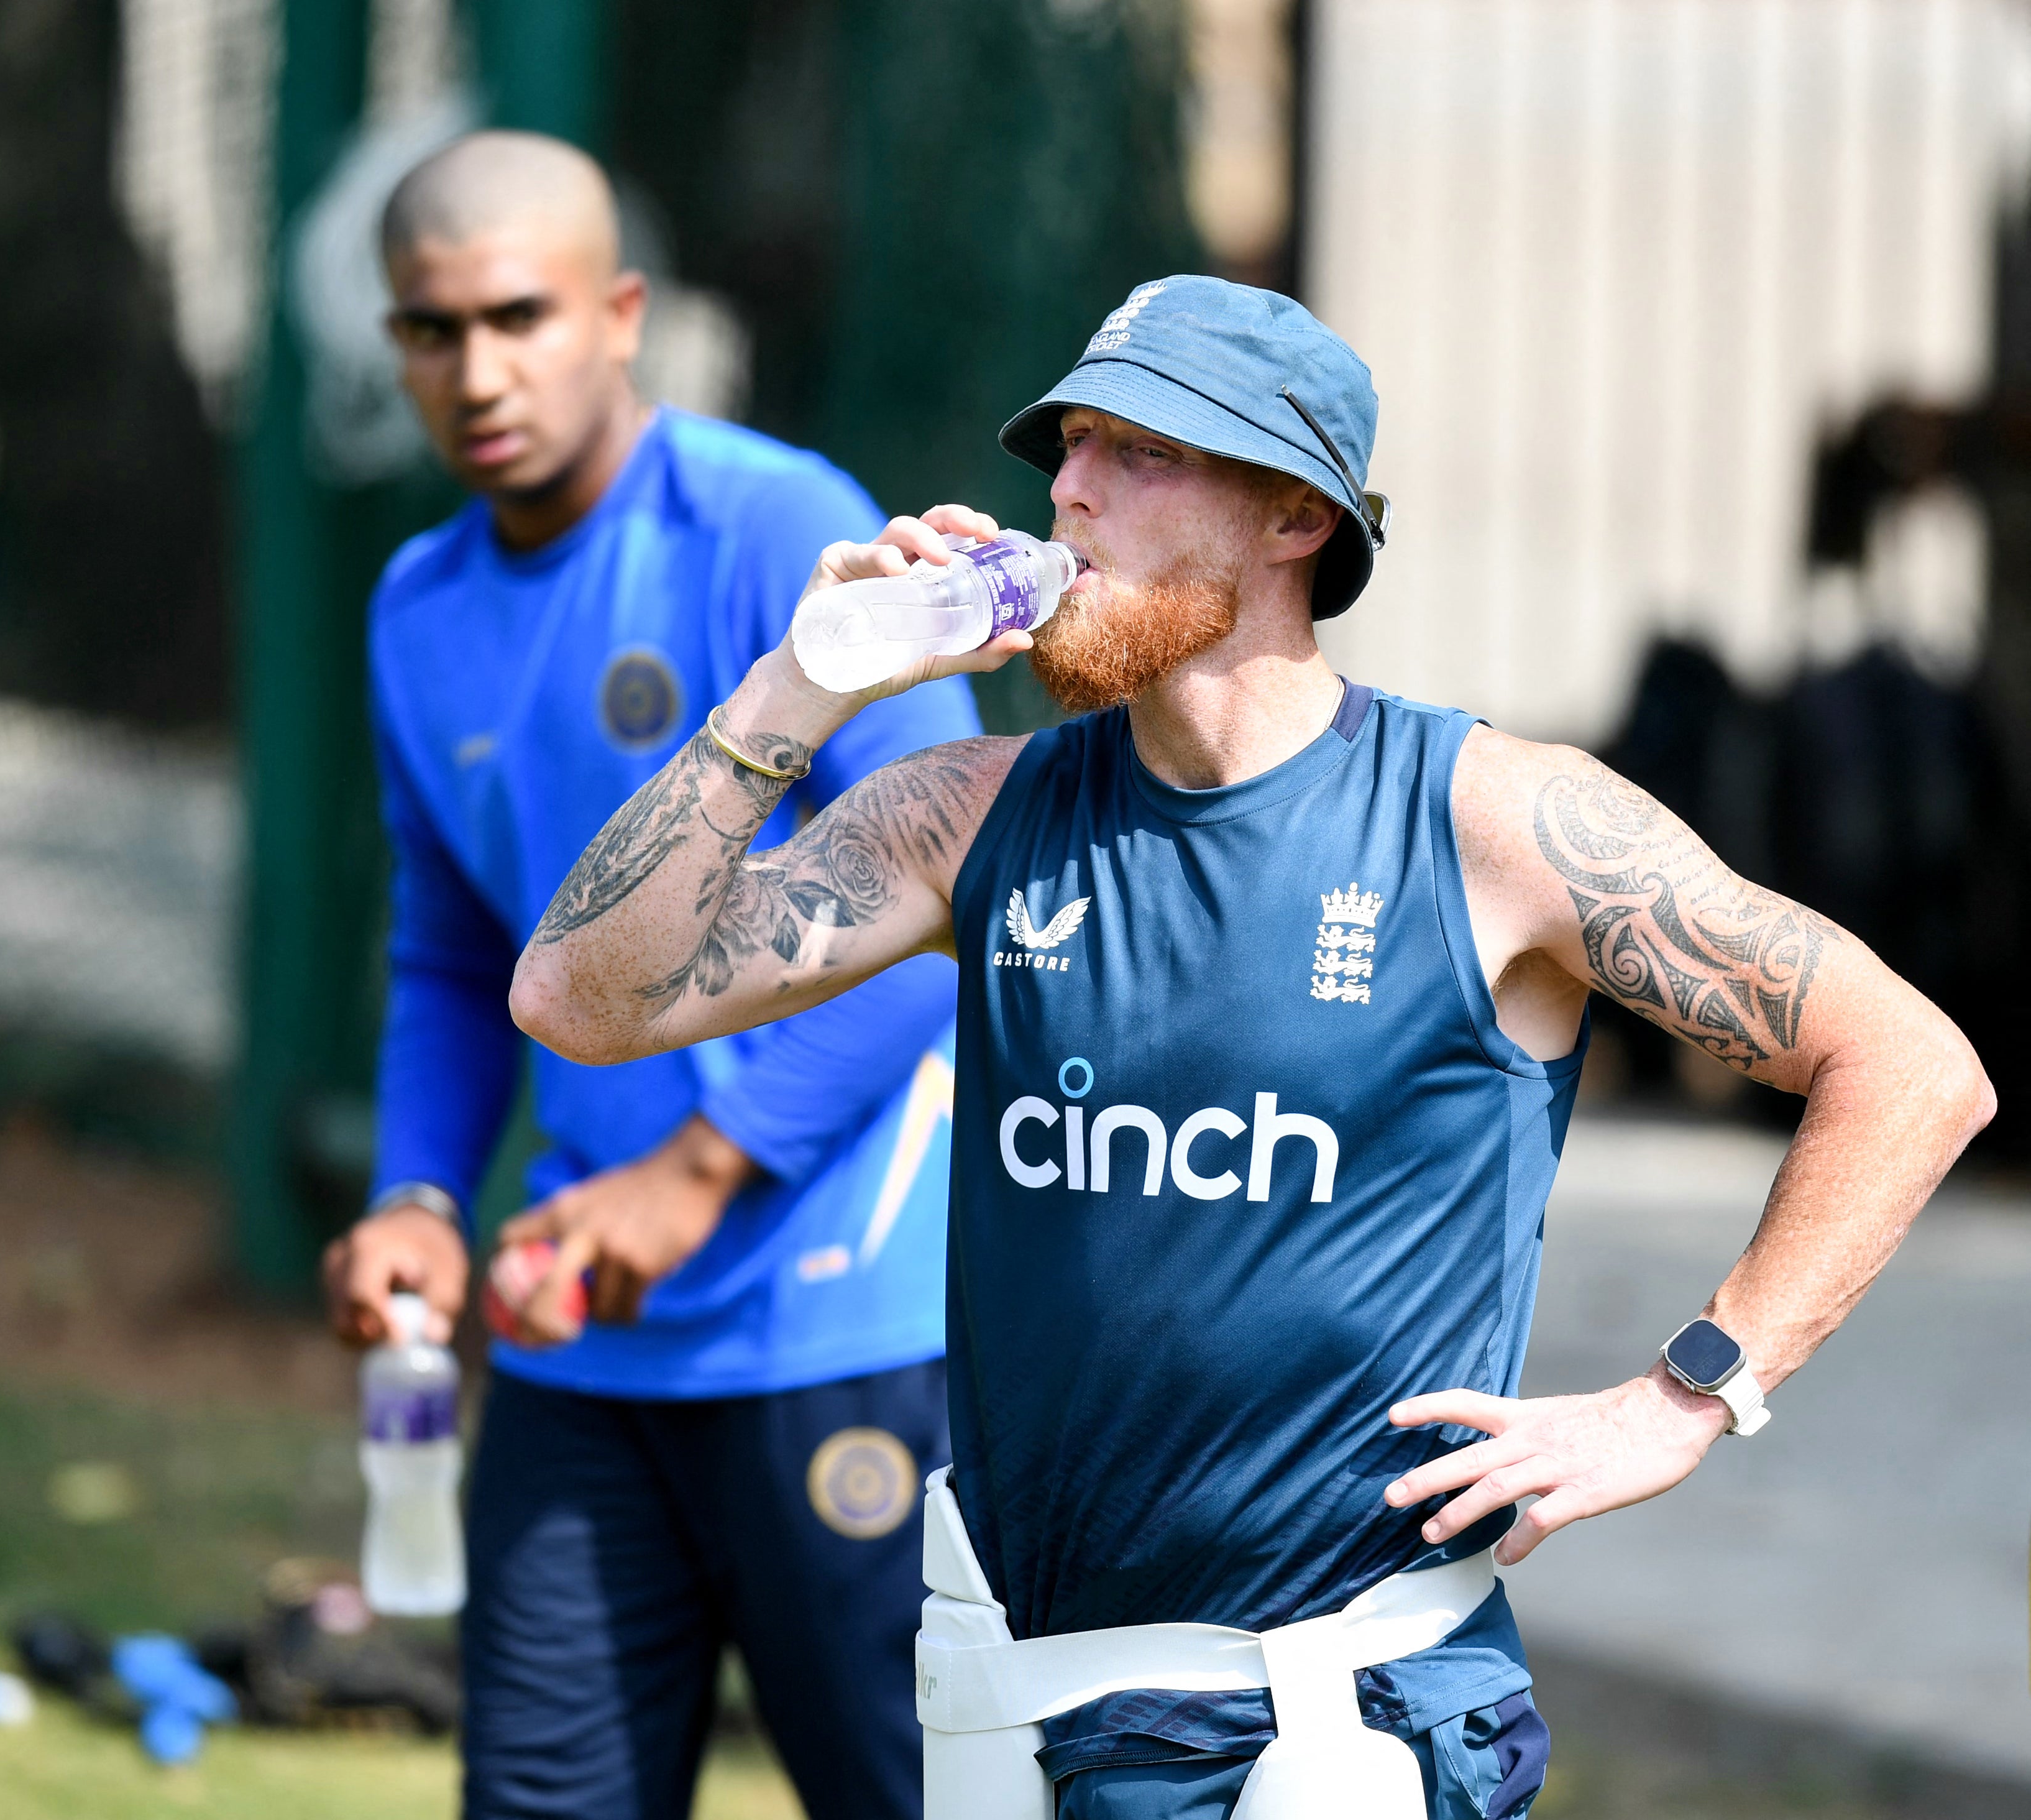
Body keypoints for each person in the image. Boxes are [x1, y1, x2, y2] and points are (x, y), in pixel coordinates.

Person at [508, 275, 1994, 1820]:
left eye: (1141, 454)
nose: (1069, 491)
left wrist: (1687, 1396)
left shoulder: (1487, 819)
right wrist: (799, 683)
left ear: (1295, 518)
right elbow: (583, 999)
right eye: (1067, 448)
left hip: (1328, 1728)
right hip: (1005, 1717)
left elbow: (1910, 1065)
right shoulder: (976, 811)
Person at [316, 132, 981, 1820]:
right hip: (578, 1352)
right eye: (430, 329)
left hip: (840, 1325)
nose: (476, 370)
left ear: (620, 314)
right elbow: (453, 955)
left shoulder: (776, 527)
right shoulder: (416, 607)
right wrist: (413, 1198)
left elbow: (951, 898)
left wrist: (702, 1169)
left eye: (519, 316)